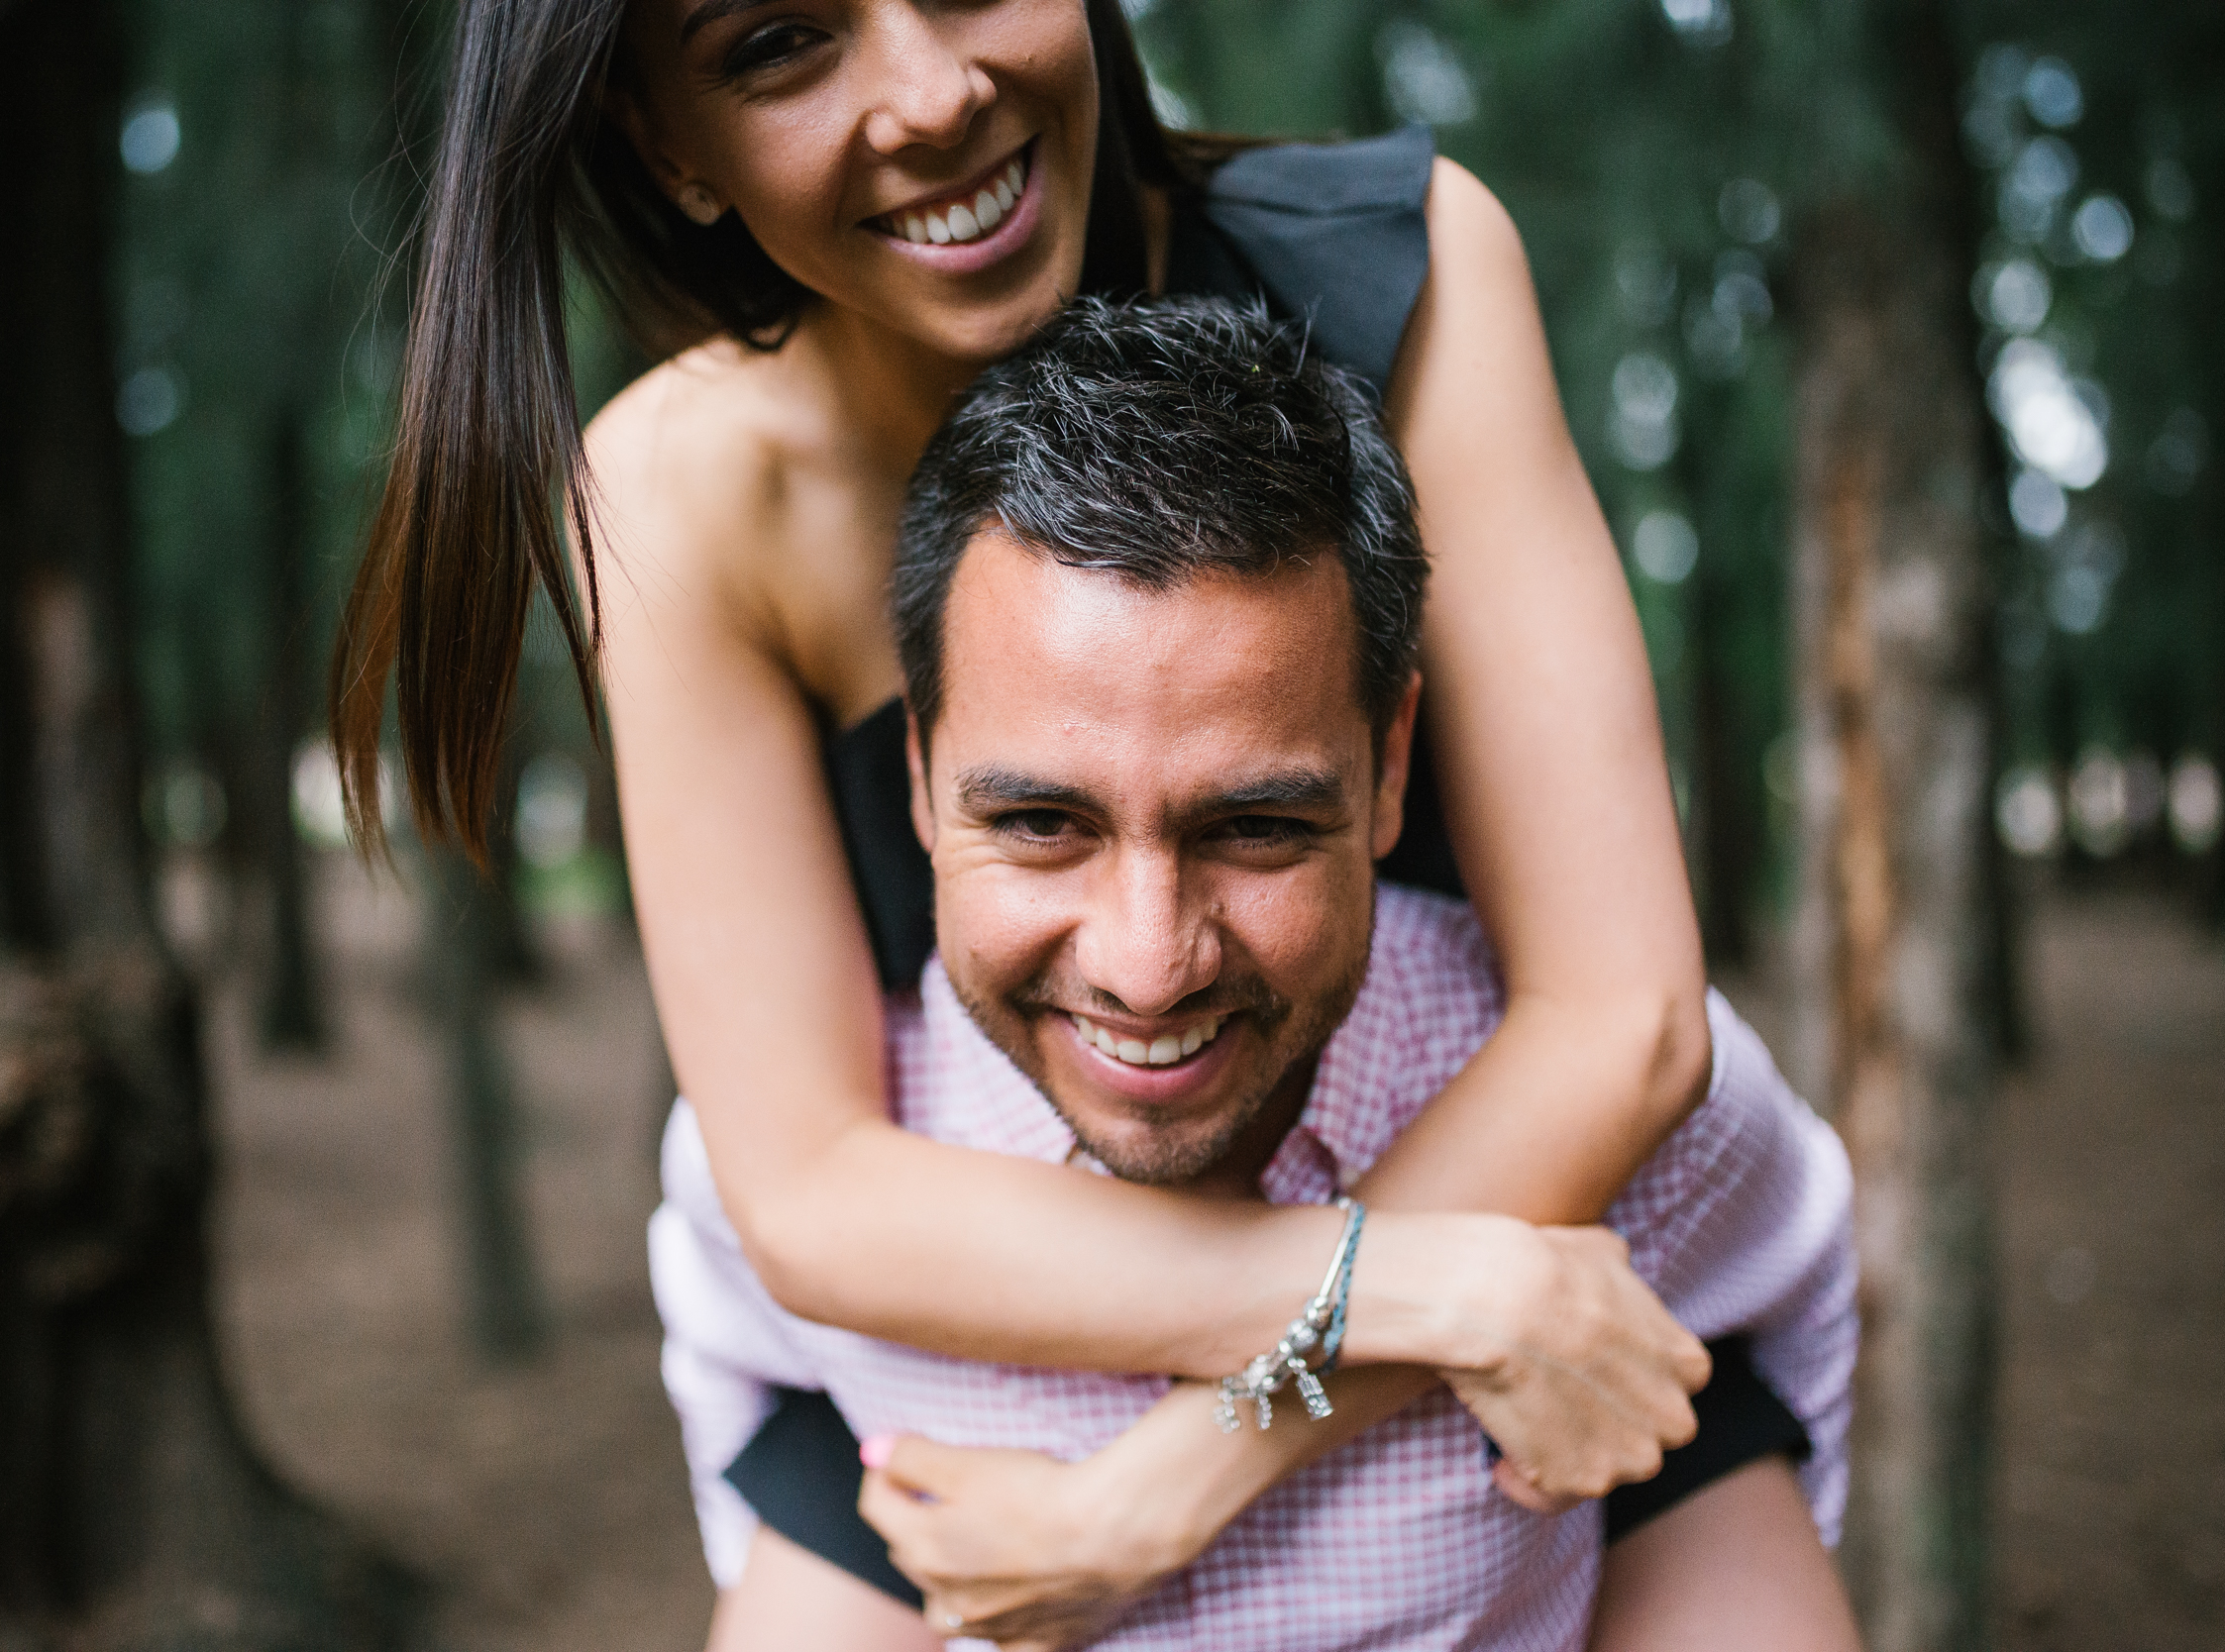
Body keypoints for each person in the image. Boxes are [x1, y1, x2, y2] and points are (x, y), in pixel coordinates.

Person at [327, 0, 1830, 1637]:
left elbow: (1620, 1020)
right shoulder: (683, 500)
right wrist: (1410, 1289)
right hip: (987, 1352)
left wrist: (1167, 1487)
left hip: (1539, 1259)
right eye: (779, 43)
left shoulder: (1408, 277)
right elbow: (820, 1188)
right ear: (665, 144)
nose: (932, 94)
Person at [650, 298, 1860, 1650]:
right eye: (1043, 824)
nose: (1148, 965)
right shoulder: (791, 1177)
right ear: (921, 773)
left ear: (1391, 765)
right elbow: (744, 1438)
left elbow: (1791, 1319)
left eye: (1255, 829)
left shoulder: (1632, 1144)